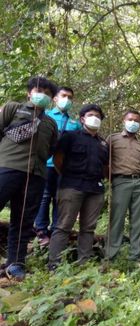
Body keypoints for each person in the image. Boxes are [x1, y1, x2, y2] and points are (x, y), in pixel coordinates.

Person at [0, 76, 58, 280]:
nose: (42, 94)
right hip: (7, 167)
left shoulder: (50, 123)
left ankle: (15, 263)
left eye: (48, 93)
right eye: (38, 90)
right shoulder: (12, 108)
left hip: (36, 175)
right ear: (29, 92)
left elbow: (50, 149)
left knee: (23, 221)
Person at [48, 104, 109, 269]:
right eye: (91, 114)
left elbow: (105, 167)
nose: (94, 117)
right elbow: (58, 160)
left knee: (88, 228)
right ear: (82, 118)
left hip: (95, 189)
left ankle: (84, 262)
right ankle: (54, 264)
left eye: (98, 115)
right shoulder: (70, 136)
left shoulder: (103, 143)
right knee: (64, 226)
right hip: (71, 186)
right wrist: (69, 176)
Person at [34, 86, 81, 247]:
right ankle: (40, 229)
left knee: (59, 198)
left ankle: (55, 230)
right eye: (63, 95)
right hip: (45, 163)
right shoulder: (45, 116)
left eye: (70, 97)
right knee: (44, 196)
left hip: (63, 166)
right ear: (55, 98)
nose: (66, 99)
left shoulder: (74, 123)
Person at [105, 110, 140, 261]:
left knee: (138, 220)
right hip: (120, 181)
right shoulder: (113, 139)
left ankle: (135, 255)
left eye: (137, 120)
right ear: (123, 121)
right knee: (117, 218)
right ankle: (110, 255)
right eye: (130, 119)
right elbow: (105, 161)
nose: (133, 122)